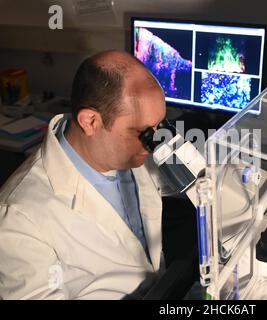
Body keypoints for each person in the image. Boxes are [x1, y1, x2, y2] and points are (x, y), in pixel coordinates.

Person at [0, 50, 166, 299]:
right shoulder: (19, 217)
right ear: (90, 121)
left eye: (159, 127)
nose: (156, 142)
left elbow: (204, 180)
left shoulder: (127, 151)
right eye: (143, 132)